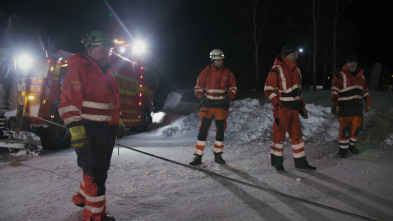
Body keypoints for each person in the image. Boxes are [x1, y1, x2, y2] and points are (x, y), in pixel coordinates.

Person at [58, 30, 120, 221]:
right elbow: (69, 102)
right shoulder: (80, 69)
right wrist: (76, 131)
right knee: (96, 174)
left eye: (108, 49)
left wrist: (119, 121)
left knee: (95, 168)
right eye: (102, 49)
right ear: (90, 49)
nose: (106, 53)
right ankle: (94, 216)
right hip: (89, 129)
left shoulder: (106, 70)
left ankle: (82, 197)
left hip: (105, 129)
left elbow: (112, 101)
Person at [264, 44, 316, 173]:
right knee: (279, 137)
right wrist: (277, 105)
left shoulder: (297, 70)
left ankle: (301, 163)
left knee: (297, 137)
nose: (297, 56)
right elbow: (268, 89)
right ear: (288, 55)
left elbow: (299, 91)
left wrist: (302, 106)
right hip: (282, 110)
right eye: (295, 54)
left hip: (294, 109)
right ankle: (277, 164)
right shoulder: (276, 69)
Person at [189, 49, 237, 166]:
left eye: (221, 60)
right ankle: (198, 156)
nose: (220, 62)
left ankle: (218, 154)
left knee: (220, 131)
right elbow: (198, 87)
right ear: (213, 60)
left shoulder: (228, 73)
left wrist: (229, 97)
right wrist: (202, 98)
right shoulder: (205, 72)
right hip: (208, 106)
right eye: (218, 60)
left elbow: (233, 88)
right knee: (203, 131)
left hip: (221, 106)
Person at [331, 54, 371, 158]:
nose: (352, 64)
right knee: (345, 130)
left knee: (357, 128)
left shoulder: (362, 77)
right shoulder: (340, 76)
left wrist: (368, 103)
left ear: (357, 64)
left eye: (354, 62)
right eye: (350, 62)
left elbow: (365, 92)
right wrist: (334, 105)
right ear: (346, 64)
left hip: (358, 108)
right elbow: (334, 91)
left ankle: (351, 146)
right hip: (344, 108)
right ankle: (343, 150)